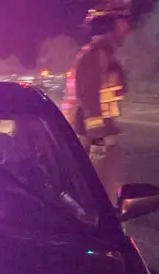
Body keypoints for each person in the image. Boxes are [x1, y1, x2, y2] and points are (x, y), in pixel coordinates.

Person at [61, 1, 132, 202]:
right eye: (123, 21)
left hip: (99, 141)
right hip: (93, 143)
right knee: (101, 201)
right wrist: (100, 141)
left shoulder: (108, 57)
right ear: (110, 25)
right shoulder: (93, 57)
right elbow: (89, 103)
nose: (127, 28)